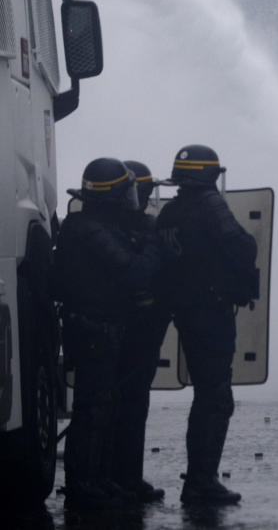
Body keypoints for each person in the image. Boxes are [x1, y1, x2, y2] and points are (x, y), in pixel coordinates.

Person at [55, 158, 162, 510]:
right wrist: (152, 244)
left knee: (102, 407)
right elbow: (135, 274)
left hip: (96, 327)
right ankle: (83, 484)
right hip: (95, 330)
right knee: (93, 409)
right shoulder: (92, 230)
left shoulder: (87, 225)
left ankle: (97, 480)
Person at [157, 145, 258, 504]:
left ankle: (199, 479)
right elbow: (242, 245)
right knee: (215, 398)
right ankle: (201, 482)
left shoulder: (169, 211)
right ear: (209, 175)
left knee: (207, 395)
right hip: (210, 312)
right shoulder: (211, 205)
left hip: (184, 311)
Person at [111, 160, 169, 502]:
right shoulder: (146, 229)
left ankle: (107, 476)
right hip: (139, 329)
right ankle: (126, 478)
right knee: (132, 405)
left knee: (111, 404)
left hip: (112, 327)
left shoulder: (95, 225)